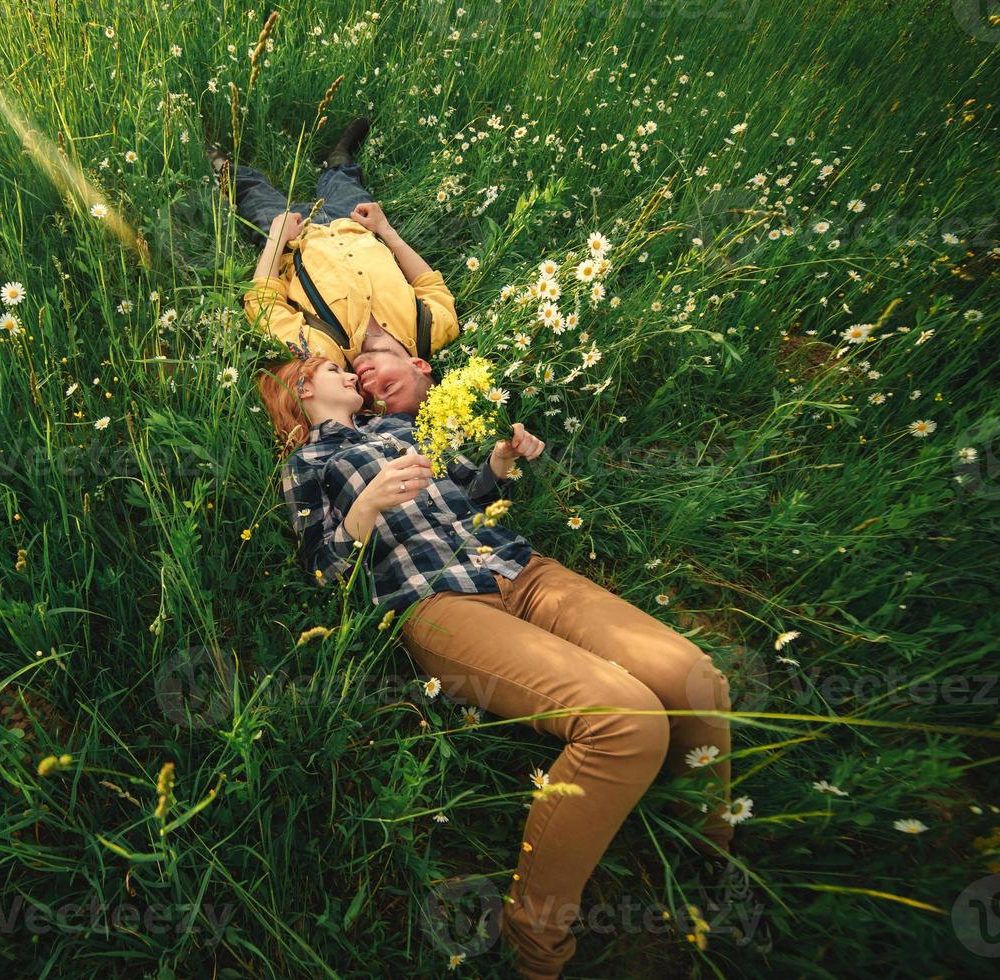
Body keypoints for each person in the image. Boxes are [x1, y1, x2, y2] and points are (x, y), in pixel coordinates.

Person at [255, 353, 738, 980]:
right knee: (626, 720)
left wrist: (498, 464)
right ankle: (535, 940)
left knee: (696, 679)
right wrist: (364, 507)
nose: (350, 372)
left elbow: (469, 490)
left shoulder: (399, 429)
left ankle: (709, 847)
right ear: (300, 390)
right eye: (328, 368)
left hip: (518, 568)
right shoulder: (307, 463)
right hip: (436, 600)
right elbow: (324, 570)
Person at [209, 116, 462, 376]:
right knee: (345, 180)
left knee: (250, 191)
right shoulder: (433, 331)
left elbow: (263, 307)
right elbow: (429, 283)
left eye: (365, 399)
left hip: (295, 239)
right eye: (389, 387)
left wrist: (276, 236)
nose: (368, 385)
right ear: (418, 365)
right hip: (356, 222)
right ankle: (339, 154)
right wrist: (385, 229)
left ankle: (219, 162)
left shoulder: (324, 353)